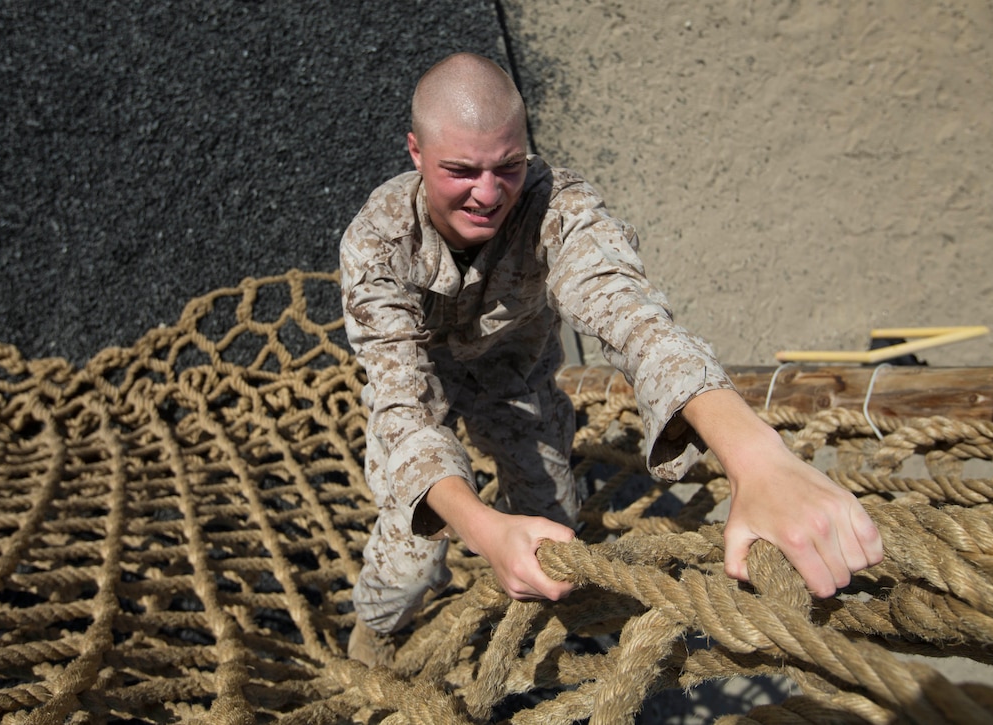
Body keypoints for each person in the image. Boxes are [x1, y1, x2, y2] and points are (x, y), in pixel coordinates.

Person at [339, 52, 882, 667]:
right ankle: (377, 625)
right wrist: (484, 530)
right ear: (416, 153)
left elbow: (634, 318)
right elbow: (405, 410)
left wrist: (756, 457)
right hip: (422, 381)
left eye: (508, 167)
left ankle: (551, 621)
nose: (488, 195)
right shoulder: (378, 243)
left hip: (513, 383)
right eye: (461, 170)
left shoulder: (558, 208)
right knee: (411, 558)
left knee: (554, 521)